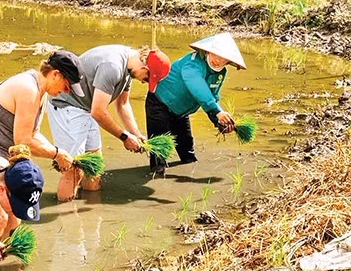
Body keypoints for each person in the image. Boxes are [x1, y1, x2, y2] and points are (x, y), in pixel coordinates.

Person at [0, 50, 84, 237]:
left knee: (14, 219)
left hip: (1, 153)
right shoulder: (28, 89)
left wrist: (59, 152)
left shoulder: (39, 90)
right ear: (55, 74)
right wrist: (57, 154)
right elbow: (23, 141)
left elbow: (33, 133)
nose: (65, 92)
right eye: (66, 86)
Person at [47, 45, 171, 199]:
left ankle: (91, 213)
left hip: (86, 108)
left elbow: (123, 104)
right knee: (73, 170)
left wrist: (136, 134)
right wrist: (124, 137)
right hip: (67, 106)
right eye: (146, 78)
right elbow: (98, 112)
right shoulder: (112, 67)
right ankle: (67, 217)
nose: (144, 82)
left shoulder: (129, 68)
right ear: (144, 67)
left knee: (94, 167)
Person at [146, 32, 245, 174]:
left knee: (188, 152)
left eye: (223, 59)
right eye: (216, 54)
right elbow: (199, 89)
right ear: (208, 51)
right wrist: (217, 111)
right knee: (159, 153)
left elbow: (212, 96)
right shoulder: (192, 64)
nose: (218, 60)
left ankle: (188, 173)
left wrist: (219, 121)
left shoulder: (220, 74)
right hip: (159, 105)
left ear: (228, 61)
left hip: (181, 112)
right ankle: (158, 176)